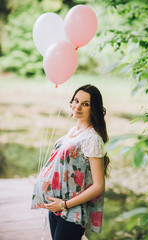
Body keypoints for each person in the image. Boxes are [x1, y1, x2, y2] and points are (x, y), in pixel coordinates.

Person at [31, 84, 110, 240]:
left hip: (72, 211)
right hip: (56, 206)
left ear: (93, 108)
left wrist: (64, 204)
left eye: (85, 104)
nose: (78, 106)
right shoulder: (73, 131)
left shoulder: (93, 139)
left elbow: (99, 186)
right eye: (76, 100)